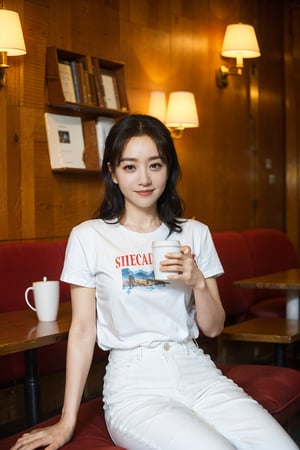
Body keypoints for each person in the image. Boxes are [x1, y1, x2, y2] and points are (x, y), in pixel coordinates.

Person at [12, 114, 298, 450]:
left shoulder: (195, 233)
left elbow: (214, 327)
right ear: (112, 173)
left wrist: (198, 283)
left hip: (198, 373)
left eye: (155, 165)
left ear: (169, 170)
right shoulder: (89, 237)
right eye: (130, 166)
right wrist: (67, 421)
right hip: (135, 386)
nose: (144, 179)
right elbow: (83, 331)